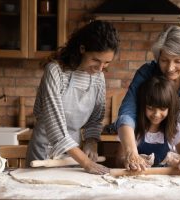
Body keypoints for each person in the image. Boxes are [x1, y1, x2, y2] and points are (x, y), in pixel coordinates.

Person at [115, 25, 180, 171]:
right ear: (158, 57)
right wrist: (132, 153)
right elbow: (127, 113)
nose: (170, 68)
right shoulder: (146, 74)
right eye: (164, 60)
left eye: (178, 61)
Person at [26, 20, 120, 175]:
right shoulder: (55, 72)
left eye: (106, 63)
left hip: (74, 155)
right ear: (82, 48)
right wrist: (85, 162)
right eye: (95, 60)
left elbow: (95, 119)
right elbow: (56, 129)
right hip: (44, 152)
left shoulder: (98, 78)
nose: (100, 68)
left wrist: (91, 142)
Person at [116, 76, 180, 167]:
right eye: (150, 108)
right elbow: (119, 160)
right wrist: (133, 160)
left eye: (162, 109)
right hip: (137, 179)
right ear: (143, 106)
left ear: (170, 109)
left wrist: (176, 160)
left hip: (164, 180)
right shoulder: (132, 129)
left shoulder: (174, 129)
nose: (156, 114)